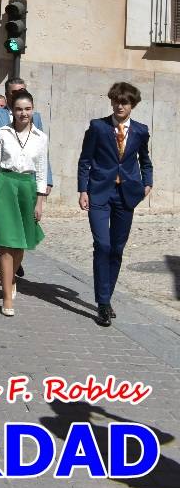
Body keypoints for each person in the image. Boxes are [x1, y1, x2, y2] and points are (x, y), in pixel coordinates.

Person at [78, 82, 153, 327]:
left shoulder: (140, 130)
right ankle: (101, 303)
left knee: (117, 249)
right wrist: (83, 189)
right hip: (99, 193)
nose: (120, 106)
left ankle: (107, 298)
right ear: (111, 101)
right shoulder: (98, 127)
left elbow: (145, 161)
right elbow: (85, 160)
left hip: (126, 195)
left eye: (125, 102)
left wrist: (147, 183)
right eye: (117, 101)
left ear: (132, 105)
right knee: (102, 245)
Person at [0, 90, 48, 317]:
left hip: (27, 188)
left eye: (27, 109)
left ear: (32, 110)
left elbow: (42, 171)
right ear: (12, 111)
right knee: (6, 243)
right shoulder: (3, 132)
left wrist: (40, 201)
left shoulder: (41, 137)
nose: (23, 113)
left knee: (20, 245)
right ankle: (7, 296)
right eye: (18, 109)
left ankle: (11, 277)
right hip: (4, 185)